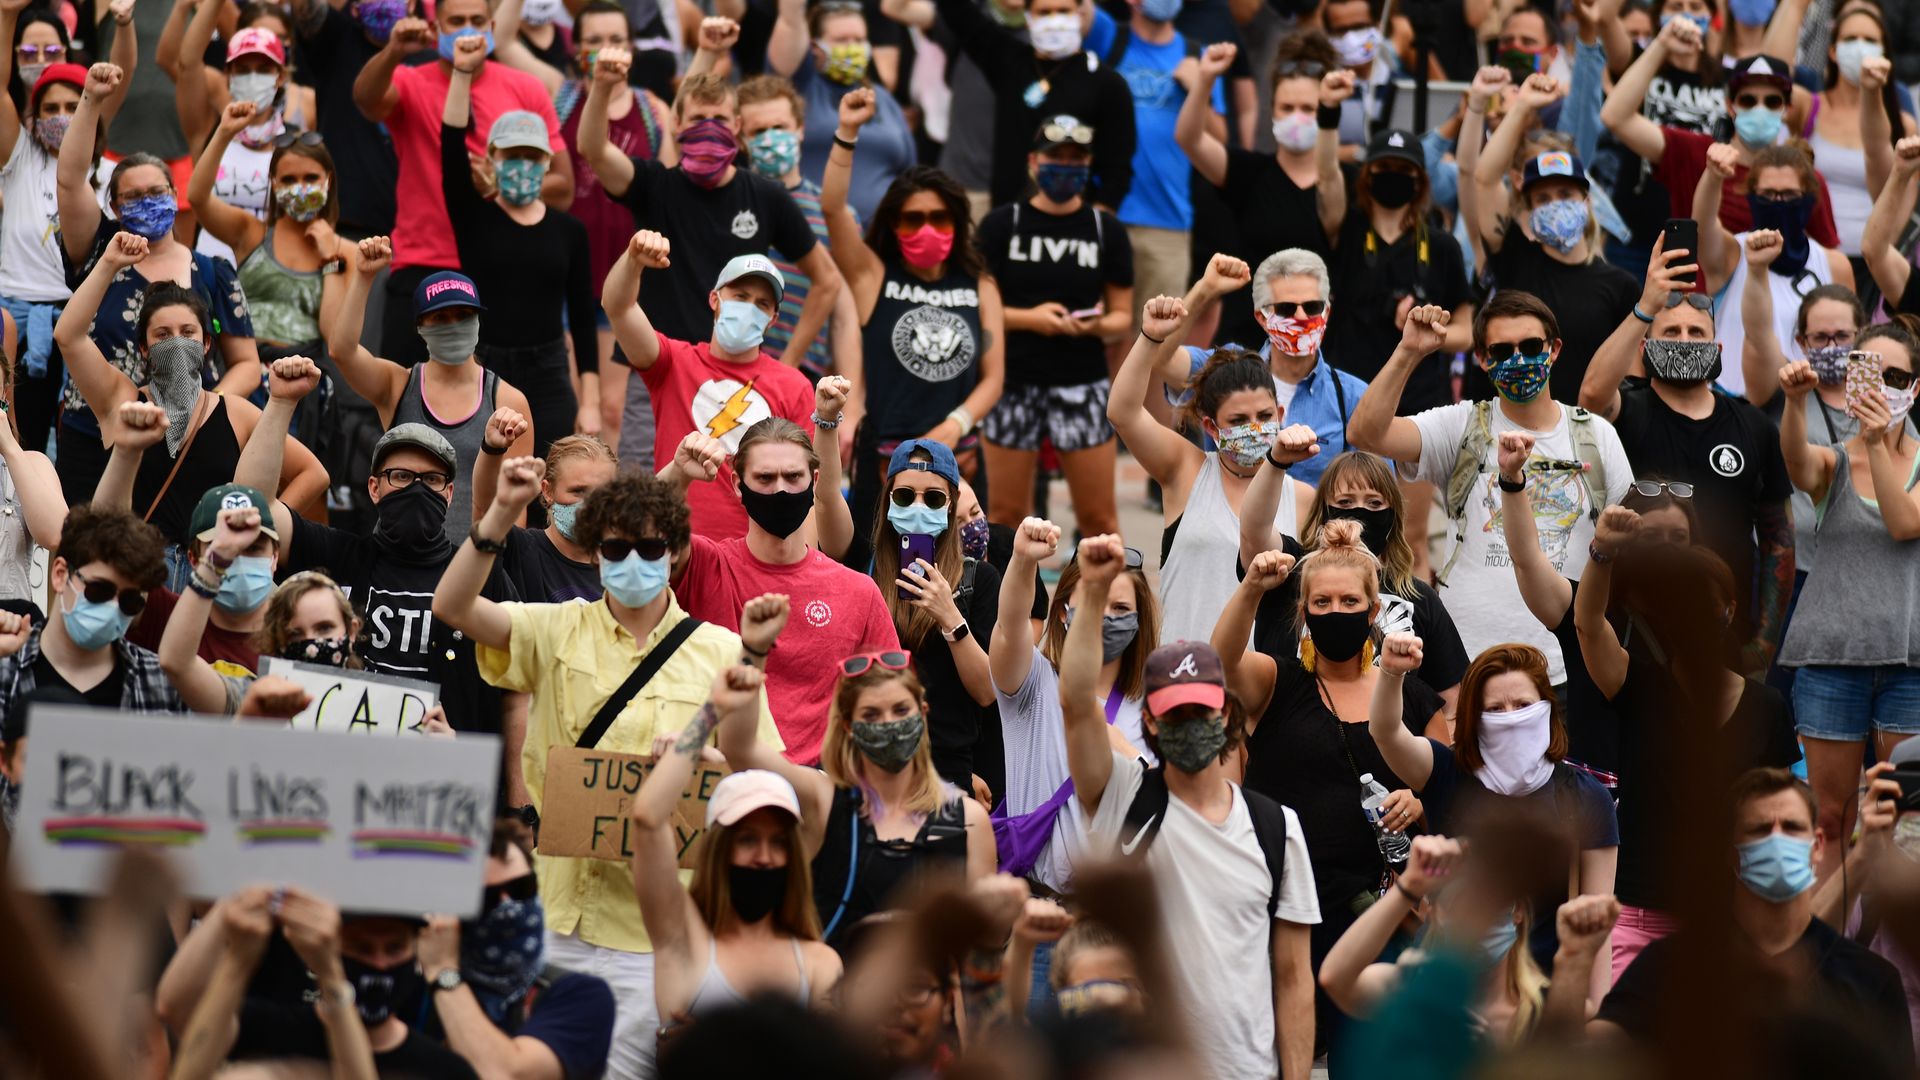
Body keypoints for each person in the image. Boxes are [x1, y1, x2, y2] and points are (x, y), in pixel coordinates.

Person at [430, 460, 782, 1080]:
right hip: (555, 912)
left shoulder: (723, 650)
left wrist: (708, 760)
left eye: (650, 546)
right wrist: (499, 513)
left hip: (653, 934)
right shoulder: (555, 626)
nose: (634, 560)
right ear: (595, 553)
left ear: (674, 553)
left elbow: (761, 778)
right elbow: (453, 606)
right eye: (617, 546)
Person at [1062, 534, 1317, 1080]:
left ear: (1229, 716)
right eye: (1174, 715)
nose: (1191, 726)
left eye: (1202, 711)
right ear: (1148, 723)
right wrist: (1093, 589)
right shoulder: (1122, 797)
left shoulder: (1277, 829)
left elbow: (1295, 977)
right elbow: (1078, 701)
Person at [1348, 292, 1634, 685]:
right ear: (1483, 359)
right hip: (1467, 661)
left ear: (1554, 350)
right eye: (1503, 350)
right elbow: (1366, 433)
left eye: (1532, 347)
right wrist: (1409, 351)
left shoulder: (1596, 435)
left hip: (1569, 665)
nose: (1519, 360)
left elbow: (1628, 552)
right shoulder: (1461, 425)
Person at [240, 360, 522, 748]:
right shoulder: (340, 556)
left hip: (445, 780)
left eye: (432, 480)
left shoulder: (480, 577)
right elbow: (253, 512)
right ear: (374, 488)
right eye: (402, 477)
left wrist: (483, 769)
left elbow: (520, 684)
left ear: (450, 493)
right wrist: (281, 403)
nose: (416, 489)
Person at [1574, 506, 1800, 979]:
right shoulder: (1636, 683)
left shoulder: (1768, 707)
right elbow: (1588, 624)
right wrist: (1603, 552)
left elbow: (1781, 808)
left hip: (1728, 921)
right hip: (1637, 917)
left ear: (1729, 611)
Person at [1593, 768, 1914, 1070]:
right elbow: (1594, 1054)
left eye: (1791, 827)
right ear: (1730, 850)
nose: (1777, 842)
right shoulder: (1671, 966)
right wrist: (1575, 960)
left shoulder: (1870, 979)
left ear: (1817, 846)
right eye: (1760, 830)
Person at [53, 236, 325, 587]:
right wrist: (108, 263)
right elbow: (69, 337)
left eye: (188, 332)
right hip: (140, 575)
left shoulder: (235, 412)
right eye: (163, 334)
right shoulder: (121, 399)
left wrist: (261, 528)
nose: (177, 341)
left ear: (207, 343)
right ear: (144, 348)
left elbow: (313, 473)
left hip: (215, 574)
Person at [1581, 238, 1795, 676]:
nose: (1683, 341)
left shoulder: (1753, 426)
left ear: (1717, 350)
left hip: (1725, 636)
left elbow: (1779, 541)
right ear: (1645, 348)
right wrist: (1645, 308)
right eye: (1670, 332)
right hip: (1632, 635)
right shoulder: (1627, 411)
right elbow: (1591, 395)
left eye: (1696, 333)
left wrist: (1764, 644)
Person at [55, 63, 263, 507]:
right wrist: (90, 99)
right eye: (133, 196)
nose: (147, 202)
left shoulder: (213, 271)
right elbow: (70, 179)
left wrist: (206, 410)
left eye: (158, 192)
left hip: (182, 437)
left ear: (175, 195)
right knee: (83, 546)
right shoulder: (98, 249)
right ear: (112, 205)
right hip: (93, 430)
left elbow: (246, 362)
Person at [1369, 636, 1620, 1003]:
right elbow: (1387, 733)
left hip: (1537, 1002)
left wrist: (1596, 1012)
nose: (1511, 718)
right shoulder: (1447, 773)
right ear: (1475, 717)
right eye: (1496, 709)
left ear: (1547, 710)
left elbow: (1597, 925)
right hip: (1445, 995)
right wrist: (1391, 673)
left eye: (1522, 705)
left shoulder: (1584, 796)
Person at [822, 87, 1004, 571]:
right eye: (913, 219)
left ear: (958, 221)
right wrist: (847, 134)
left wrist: (951, 428)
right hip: (883, 458)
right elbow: (834, 210)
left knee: (960, 574)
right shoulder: (872, 275)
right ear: (894, 223)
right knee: (872, 574)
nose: (927, 227)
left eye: (939, 217)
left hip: (959, 458)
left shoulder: (979, 283)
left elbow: (993, 378)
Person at [578, 52, 840, 383]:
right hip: (660, 367)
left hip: (736, 373)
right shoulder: (653, 185)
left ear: (738, 127)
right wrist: (602, 87)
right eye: (698, 118)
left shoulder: (765, 195)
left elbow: (827, 280)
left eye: (719, 118)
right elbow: (594, 150)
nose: (709, 128)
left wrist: (787, 364)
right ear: (677, 125)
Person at [649, 416, 897, 765]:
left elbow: (892, 701)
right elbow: (638, 535)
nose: (780, 489)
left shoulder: (858, 590)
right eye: (764, 478)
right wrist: (679, 471)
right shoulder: (705, 564)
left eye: (793, 477)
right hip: (716, 779)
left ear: (813, 481)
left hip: (817, 790)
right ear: (737, 484)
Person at [351, 0, 570, 366]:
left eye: (476, 20)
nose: (468, 30)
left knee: (503, 410)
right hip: (423, 264)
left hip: (500, 267)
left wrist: (502, 185)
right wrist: (393, 51)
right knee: (405, 399)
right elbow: (365, 99)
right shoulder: (410, 80)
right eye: (456, 21)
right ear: (436, 30)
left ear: (493, 25)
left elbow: (563, 186)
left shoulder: (526, 89)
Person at [632, 661, 843, 1036]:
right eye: (747, 839)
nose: (764, 856)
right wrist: (710, 713)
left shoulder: (819, 964)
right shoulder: (683, 939)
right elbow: (649, 819)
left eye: (778, 842)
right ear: (719, 848)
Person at [1775, 335, 1920, 875]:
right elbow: (1795, 463)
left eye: (1897, 378)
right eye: (1871, 373)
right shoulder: (1833, 462)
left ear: (1916, 387)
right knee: (1829, 820)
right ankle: (1828, 955)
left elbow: (1905, 522)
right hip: (1832, 662)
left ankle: (1898, 957)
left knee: (1907, 820)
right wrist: (1793, 402)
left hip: (1910, 666)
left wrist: (1878, 442)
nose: (1883, 388)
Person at [1493, 427, 1702, 786]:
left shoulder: (1705, 622)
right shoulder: (1582, 606)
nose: (1666, 549)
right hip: (1592, 807)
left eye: (1678, 538)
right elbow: (1526, 559)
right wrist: (1512, 480)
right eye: (1650, 536)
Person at [513, 0, 677, 441]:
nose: (607, 51)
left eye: (617, 41)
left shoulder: (654, 109)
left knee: (611, 410)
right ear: (576, 47)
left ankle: (605, 507)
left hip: (624, 278)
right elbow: (505, 38)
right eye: (595, 42)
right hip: (563, 276)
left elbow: (665, 193)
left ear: (632, 49)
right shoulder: (558, 94)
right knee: (567, 406)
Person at [1108, 292, 1308, 644]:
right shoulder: (1186, 469)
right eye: (1238, 419)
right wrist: (1150, 338)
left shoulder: (1304, 497)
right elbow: (1123, 413)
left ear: (1280, 416)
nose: (1254, 427)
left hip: (1267, 684)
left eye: (1263, 417)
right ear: (1212, 428)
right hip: (1184, 679)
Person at [975, 115, 1132, 537]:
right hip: (1013, 383)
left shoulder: (1105, 230)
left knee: (1099, 520)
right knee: (1006, 518)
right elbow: (977, 308)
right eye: (1055, 156)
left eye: (1075, 157)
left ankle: (1107, 602)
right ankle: (1011, 605)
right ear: (1033, 161)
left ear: (1089, 164)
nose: (1065, 166)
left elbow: (1122, 315)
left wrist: (1092, 326)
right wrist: (1032, 319)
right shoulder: (1001, 225)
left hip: (1082, 384)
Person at [990, 517, 1159, 907]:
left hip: (1119, 918)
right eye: (1092, 603)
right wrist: (1021, 560)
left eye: (1119, 608)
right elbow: (1009, 626)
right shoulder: (1033, 682)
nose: (1105, 617)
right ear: (1063, 612)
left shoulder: (1153, 705)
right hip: (1038, 909)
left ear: (1138, 620)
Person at [604, 232, 817, 540]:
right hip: (676, 543)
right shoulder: (673, 362)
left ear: (772, 318)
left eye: (762, 304)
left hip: (755, 552)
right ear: (715, 299)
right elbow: (618, 308)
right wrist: (633, 260)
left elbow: (806, 490)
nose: (749, 309)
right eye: (741, 296)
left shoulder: (794, 385)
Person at [442, 40, 598, 454]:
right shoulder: (473, 216)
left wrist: (592, 400)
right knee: (488, 482)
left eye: (532, 156)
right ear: (493, 158)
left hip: (550, 372)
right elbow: (451, 146)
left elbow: (583, 317)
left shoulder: (569, 230)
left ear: (548, 161)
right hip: (485, 368)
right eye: (512, 155)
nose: (523, 165)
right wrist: (461, 73)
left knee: (550, 480)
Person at [325, 240, 535, 544]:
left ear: (477, 320)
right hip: (398, 558)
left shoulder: (508, 399)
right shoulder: (396, 385)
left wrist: (501, 568)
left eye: (462, 316)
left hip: (470, 563)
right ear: (421, 326)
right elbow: (341, 351)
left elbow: (516, 505)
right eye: (440, 318)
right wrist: (363, 277)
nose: (454, 326)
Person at [1240, 449, 1470, 713]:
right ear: (1324, 510)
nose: (1360, 513)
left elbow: (1453, 705)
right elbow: (1253, 532)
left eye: (1374, 504)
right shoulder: (1292, 573)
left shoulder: (1418, 597)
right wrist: (1276, 461)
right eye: (1346, 502)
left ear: (1392, 516)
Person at [1318, 834, 1593, 1044]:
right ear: (1437, 916)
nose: (1476, 923)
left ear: (1518, 911)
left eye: (1490, 903)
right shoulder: (1410, 990)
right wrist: (1409, 886)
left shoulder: (1546, 1009)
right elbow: (1337, 978)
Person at [809, 648, 996, 950]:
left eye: (900, 710)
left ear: (922, 713)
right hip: (840, 992)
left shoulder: (966, 819)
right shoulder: (827, 802)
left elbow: (983, 948)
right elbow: (746, 753)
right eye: (871, 715)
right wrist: (754, 655)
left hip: (930, 993)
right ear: (848, 726)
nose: (889, 724)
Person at [1468, 92, 1641, 401]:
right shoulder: (1514, 258)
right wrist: (1522, 106)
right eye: (1543, 199)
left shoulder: (1620, 286)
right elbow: (1483, 179)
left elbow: (1632, 380)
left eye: (1565, 194)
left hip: (1585, 436)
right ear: (1529, 208)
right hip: (1515, 434)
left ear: (1586, 202)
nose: (1555, 205)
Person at [1176, 44, 1346, 349]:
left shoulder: (1340, 183)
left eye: (1309, 109)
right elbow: (1189, 139)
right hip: (1247, 340)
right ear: (1272, 110)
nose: (1297, 118)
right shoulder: (1247, 172)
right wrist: (1205, 79)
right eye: (1287, 108)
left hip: (1317, 344)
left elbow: (1330, 173)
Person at [1602, 36, 1842, 251]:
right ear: (1730, 106)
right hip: (1699, 298)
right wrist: (1662, 44)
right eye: (1748, 100)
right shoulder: (1696, 153)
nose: (1760, 108)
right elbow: (1615, 117)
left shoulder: (1803, 179)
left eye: (1772, 101)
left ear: (1787, 110)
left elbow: (1830, 260)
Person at [420, 820, 618, 1080]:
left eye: (520, 889)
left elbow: (506, 1074)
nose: (509, 907)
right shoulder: (409, 987)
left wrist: (443, 972)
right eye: (488, 898)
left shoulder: (581, 996)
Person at [1159, 252, 1371, 491]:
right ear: (1262, 316)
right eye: (1286, 309)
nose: (1301, 317)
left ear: (1327, 313)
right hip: (1231, 524)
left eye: (1312, 307)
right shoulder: (1226, 369)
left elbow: (1377, 491)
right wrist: (1205, 290)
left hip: (1314, 526)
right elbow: (1161, 359)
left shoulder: (1353, 396)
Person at [1085, 0, 1228, 334]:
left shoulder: (1198, 54)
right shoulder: (1107, 37)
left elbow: (1221, 141)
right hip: (1105, 212)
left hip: (1169, 222)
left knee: (1157, 342)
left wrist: (1200, 86)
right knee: (1096, 334)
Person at [861, 438, 996, 787]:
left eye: (933, 498)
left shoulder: (978, 579)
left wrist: (950, 617)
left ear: (950, 507)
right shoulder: (865, 570)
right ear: (889, 499)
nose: (918, 507)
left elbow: (986, 692)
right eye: (905, 496)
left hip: (948, 764)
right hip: (872, 756)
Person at [919, 0, 1135, 210]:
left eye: (1063, 10)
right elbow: (956, 9)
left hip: (1074, 225)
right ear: (1029, 18)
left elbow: (1117, 168)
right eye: (1044, 12)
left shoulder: (1107, 83)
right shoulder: (1009, 62)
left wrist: (1099, 225)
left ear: (1080, 14)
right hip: (1009, 219)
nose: (1054, 21)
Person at [188, 103, 353, 376]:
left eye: (311, 177)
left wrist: (330, 260)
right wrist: (224, 133)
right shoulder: (250, 232)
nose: (300, 187)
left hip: (304, 376)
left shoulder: (347, 252)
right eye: (288, 180)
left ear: (329, 180)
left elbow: (333, 336)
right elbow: (197, 198)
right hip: (243, 371)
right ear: (274, 183)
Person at [1692, 141, 1855, 398]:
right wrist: (1713, 176)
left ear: (1809, 198)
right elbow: (1702, 224)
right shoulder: (1731, 254)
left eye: (1789, 195)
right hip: (1734, 405)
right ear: (1751, 197)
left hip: (1809, 409)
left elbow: (1852, 344)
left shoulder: (1834, 265)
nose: (1778, 203)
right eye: (1767, 195)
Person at [735, 71, 856, 385]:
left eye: (780, 127)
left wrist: (854, 403)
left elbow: (845, 317)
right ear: (741, 139)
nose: (771, 137)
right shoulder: (729, 201)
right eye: (758, 130)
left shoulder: (834, 213)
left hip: (801, 374)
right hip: (728, 366)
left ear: (800, 130)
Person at [172, 22, 311, 267]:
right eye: (243, 69)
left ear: (280, 76)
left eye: (264, 69)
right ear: (228, 75)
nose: (253, 78)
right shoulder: (209, 129)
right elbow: (187, 63)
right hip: (210, 274)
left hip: (270, 273)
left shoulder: (295, 142)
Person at [763, 0, 913, 223]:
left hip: (883, 236)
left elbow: (910, 172)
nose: (852, 47)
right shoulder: (797, 89)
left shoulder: (882, 98)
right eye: (841, 40)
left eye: (860, 40)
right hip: (813, 233)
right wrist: (793, 10)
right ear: (814, 46)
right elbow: (790, 22)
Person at [287, 0, 424, 240]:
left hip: (414, 236)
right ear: (355, 6)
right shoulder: (335, 39)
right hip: (345, 229)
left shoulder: (430, 59)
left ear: (412, 5)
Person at [470, 408, 620, 603]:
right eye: (578, 491)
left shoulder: (623, 565)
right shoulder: (521, 549)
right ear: (547, 491)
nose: (591, 504)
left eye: (602, 493)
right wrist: (492, 448)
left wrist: (676, 467)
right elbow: (485, 509)